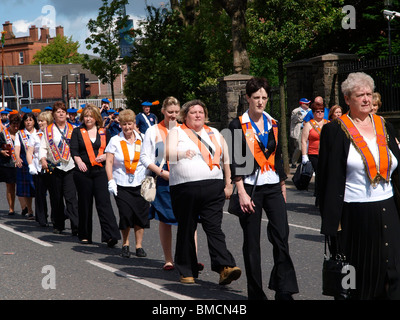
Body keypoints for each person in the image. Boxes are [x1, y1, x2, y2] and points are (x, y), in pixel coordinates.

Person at [319, 72, 400, 300]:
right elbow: (326, 179)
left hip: (388, 207)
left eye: (368, 94)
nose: (366, 99)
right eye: (359, 95)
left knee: (392, 273)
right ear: (347, 99)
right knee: (359, 278)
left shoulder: (385, 126)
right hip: (354, 213)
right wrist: (330, 222)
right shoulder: (334, 131)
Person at [228, 77, 298, 300]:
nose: (260, 102)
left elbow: (277, 158)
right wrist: (241, 192)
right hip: (250, 188)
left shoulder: (273, 123)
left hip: (273, 187)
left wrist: (282, 185)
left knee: (281, 237)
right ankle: (256, 294)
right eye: (256, 97)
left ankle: (283, 288)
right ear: (247, 98)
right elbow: (235, 162)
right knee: (252, 243)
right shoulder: (237, 124)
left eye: (264, 98)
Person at [166, 99, 241, 285]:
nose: (198, 115)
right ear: (185, 116)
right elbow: (166, 153)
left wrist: (228, 183)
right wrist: (183, 154)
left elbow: (226, 160)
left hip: (213, 188)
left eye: (201, 112)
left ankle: (224, 267)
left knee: (214, 227)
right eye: (193, 112)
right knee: (187, 228)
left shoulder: (214, 132)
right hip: (184, 188)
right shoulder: (176, 131)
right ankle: (186, 269)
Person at [70, 104, 120, 246]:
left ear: (96, 118)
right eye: (86, 116)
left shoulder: (104, 132)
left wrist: (105, 157)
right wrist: (79, 161)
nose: (88, 119)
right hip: (83, 172)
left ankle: (110, 235)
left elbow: (111, 150)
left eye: (91, 116)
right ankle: (84, 234)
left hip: (100, 172)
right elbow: (74, 150)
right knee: (85, 203)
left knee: (104, 203)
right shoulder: (77, 132)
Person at [105, 109, 149, 258]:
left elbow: (148, 159)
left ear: (134, 124)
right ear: (120, 125)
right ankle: (125, 244)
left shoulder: (142, 138)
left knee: (140, 215)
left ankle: (139, 246)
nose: (127, 127)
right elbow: (109, 162)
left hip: (140, 183)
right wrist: (110, 180)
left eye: (130, 124)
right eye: (124, 124)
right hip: (121, 183)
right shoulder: (115, 140)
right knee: (125, 214)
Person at [39, 101, 79, 235]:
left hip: (70, 166)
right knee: (56, 197)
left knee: (71, 197)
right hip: (55, 166)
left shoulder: (73, 129)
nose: (61, 113)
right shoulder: (48, 130)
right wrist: (43, 159)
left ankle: (76, 225)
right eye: (58, 111)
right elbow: (43, 147)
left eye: (63, 111)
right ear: (54, 115)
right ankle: (58, 223)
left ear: (66, 114)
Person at [27, 111, 53, 227]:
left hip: (53, 168)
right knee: (40, 194)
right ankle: (42, 218)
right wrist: (31, 165)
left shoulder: (53, 134)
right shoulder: (35, 135)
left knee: (56, 194)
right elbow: (29, 152)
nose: (40, 123)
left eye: (43, 120)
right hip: (39, 168)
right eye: (39, 121)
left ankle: (58, 216)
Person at [301, 102, 328, 207]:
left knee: (326, 175)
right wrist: (304, 156)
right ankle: (319, 197)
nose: (320, 113)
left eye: (322, 111)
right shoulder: (308, 124)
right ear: (313, 112)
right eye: (317, 111)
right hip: (314, 154)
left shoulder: (328, 123)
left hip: (326, 154)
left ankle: (322, 196)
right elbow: (304, 141)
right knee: (320, 174)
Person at [14, 112, 39, 220]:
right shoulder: (19, 134)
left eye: (30, 120)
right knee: (27, 189)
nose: (28, 122)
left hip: (38, 162)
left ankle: (41, 211)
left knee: (38, 188)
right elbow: (17, 147)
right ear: (23, 122)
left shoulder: (39, 132)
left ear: (34, 121)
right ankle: (30, 210)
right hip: (25, 163)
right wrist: (17, 157)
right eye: (26, 120)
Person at [0, 114, 21, 215]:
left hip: (21, 163)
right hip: (8, 163)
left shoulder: (22, 134)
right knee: (10, 186)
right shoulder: (3, 134)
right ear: (10, 124)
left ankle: (25, 207)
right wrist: (1, 151)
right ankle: (11, 207)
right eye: (14, 125)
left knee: (22, 186)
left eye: (17, 125)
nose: (16, 127)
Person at [290, 98, 311, 168]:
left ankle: (306, 162)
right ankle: (294, 162)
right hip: (300, 130)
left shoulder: (310, 111)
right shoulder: (295, 111)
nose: (308, 105)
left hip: (308, 130)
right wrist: (305, 117)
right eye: (307, 104)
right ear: (302, 104)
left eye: (308, 104)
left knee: (308, 146)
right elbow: (295, 119)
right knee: (299, 147)